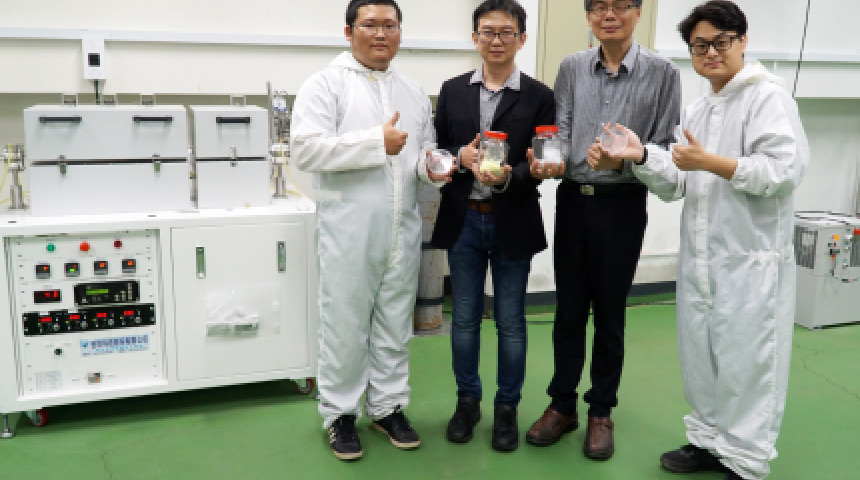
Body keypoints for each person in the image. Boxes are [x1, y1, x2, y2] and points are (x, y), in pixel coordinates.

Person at [589, 2, 809, 479]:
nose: (710, 53)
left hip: (751, 260)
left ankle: (746, 460)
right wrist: (640, 155)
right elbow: (677, 181)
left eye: (720, 42)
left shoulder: (767, 98)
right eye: (699, 45)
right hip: (703, 259)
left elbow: (783, 172)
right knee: (702, 356)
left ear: (742, 41)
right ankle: (708, 440)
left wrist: (710, 162)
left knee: (748, 361)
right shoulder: (701, 106)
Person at [290, 0, 452, 461]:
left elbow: (420, 153)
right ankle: (340, 414)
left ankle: (387, 406)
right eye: (370, 25)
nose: (381, 34)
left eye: (390, 26)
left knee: (395, 322)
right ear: (349, 32)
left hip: (401, 228)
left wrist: (433, 167)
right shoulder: (325, 85)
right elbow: (305, 150)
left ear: (400, 32)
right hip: (348, 229)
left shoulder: (412, 92)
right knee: (344, 323)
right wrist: (373, 142)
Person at [525, 0, 681, 460]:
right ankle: (561, 405)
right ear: (589, 15)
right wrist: (549, 160)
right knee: (568, 311)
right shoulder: (572, 66)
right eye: (599, 7)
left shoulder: (663, 72)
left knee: (611, 314)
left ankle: (600, 411)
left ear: (637, 12)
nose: (608, 15)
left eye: (619, 6)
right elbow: (561, 129)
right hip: (574, 199)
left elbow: (663, 146)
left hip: (623, 204)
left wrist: (624, 162)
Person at [430, 0, 555, 453]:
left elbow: (544, 159)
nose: (496, 40)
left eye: (506, 32)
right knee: (463, 319)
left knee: (511, 321)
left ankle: (507, 408)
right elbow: (437, 149)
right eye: (488, 32)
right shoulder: (452, 90)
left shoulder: (539, 95)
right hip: (463, 218)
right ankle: (467, 403)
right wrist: (457, 157)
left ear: (522, 38)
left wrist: (510, 177)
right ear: (475, 38)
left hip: (513, 219)